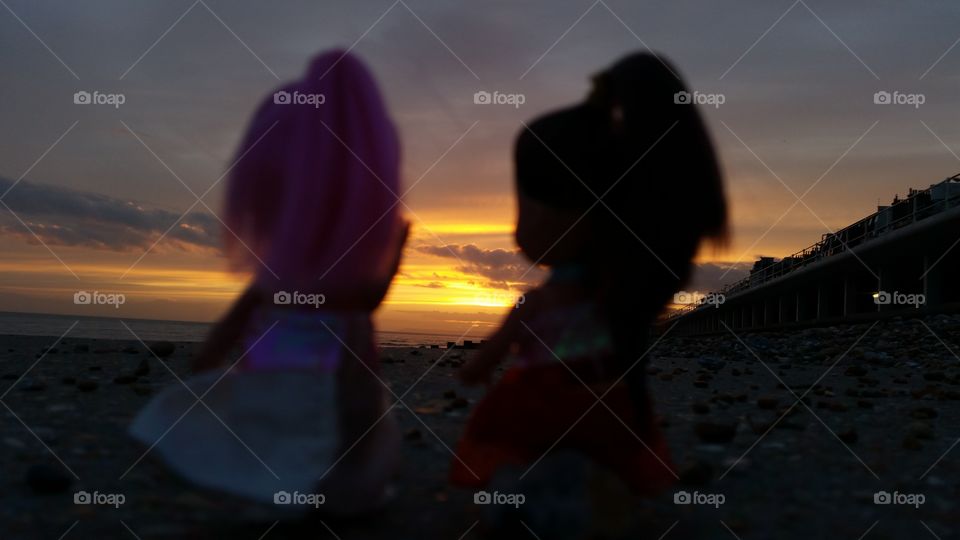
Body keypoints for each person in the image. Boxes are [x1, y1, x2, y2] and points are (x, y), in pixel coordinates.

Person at [451, 51, 728, 532]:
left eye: (526, 206)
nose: (519, 225)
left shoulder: (543, 302)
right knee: (588, 455)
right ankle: (589, 489)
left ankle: (548, 500)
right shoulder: (616, 298)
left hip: (538, 405)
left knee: (519, 449)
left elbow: (499, 345)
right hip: (605, 400)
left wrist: (476, 366)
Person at [130, 49, 406, 517]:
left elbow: (212, 350)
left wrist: (209, 372)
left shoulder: (279, 289)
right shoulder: (342, 303)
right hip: (305, 411)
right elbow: (362, 363)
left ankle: (287, 478)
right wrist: (393, 258)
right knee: (337, 439)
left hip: (270, 404)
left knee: (239, 431)